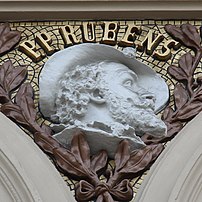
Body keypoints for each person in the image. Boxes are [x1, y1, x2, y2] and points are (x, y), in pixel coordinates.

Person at [39, 44, 169, 157]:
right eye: (128, 83)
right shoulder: (68, 137)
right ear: (97, 94)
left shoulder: (135, 142)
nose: (149, 95)